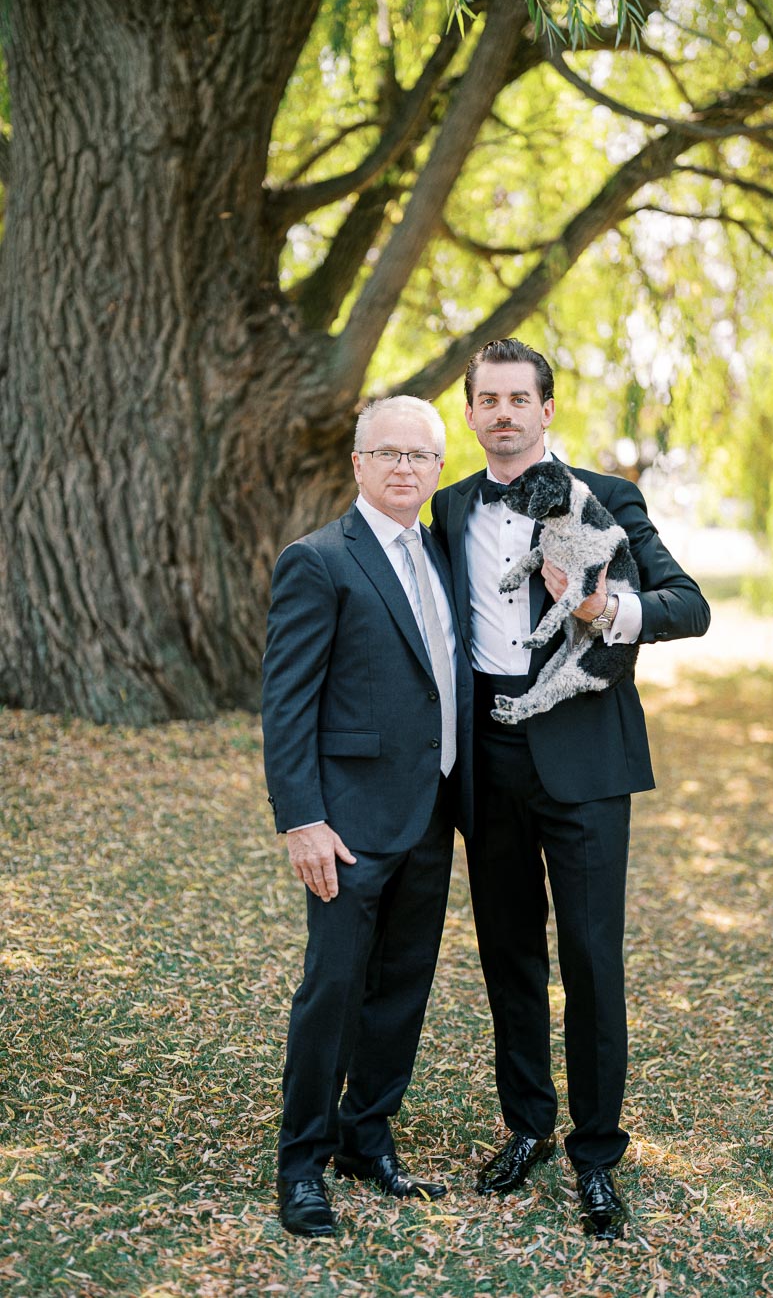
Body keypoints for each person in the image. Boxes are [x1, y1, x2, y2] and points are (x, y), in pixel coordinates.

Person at [430, 338, 710, 1240]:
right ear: (470, 414)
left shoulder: (608, 499)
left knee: (591, 960)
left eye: (521, 398)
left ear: (547, 410)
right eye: (489, 399)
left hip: (586, 761)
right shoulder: (446, 509)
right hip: (489, 758)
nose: (504, 413)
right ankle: (526, 1128)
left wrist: (605, 610)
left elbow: (688, 604)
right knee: (509, 954)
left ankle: (597, 1155)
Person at [262, 396, 473, 1238]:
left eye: (420, 457)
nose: (403, 469)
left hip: (431, 812)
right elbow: (287, 703)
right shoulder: (318, 561)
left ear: (436, 471)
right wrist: (302, 818)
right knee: (335, 990)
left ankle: (366, 1137)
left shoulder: (442, 555)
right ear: (357, 463)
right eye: (386, 453)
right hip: (346, 824)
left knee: (403, 990)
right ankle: (302, 1164)